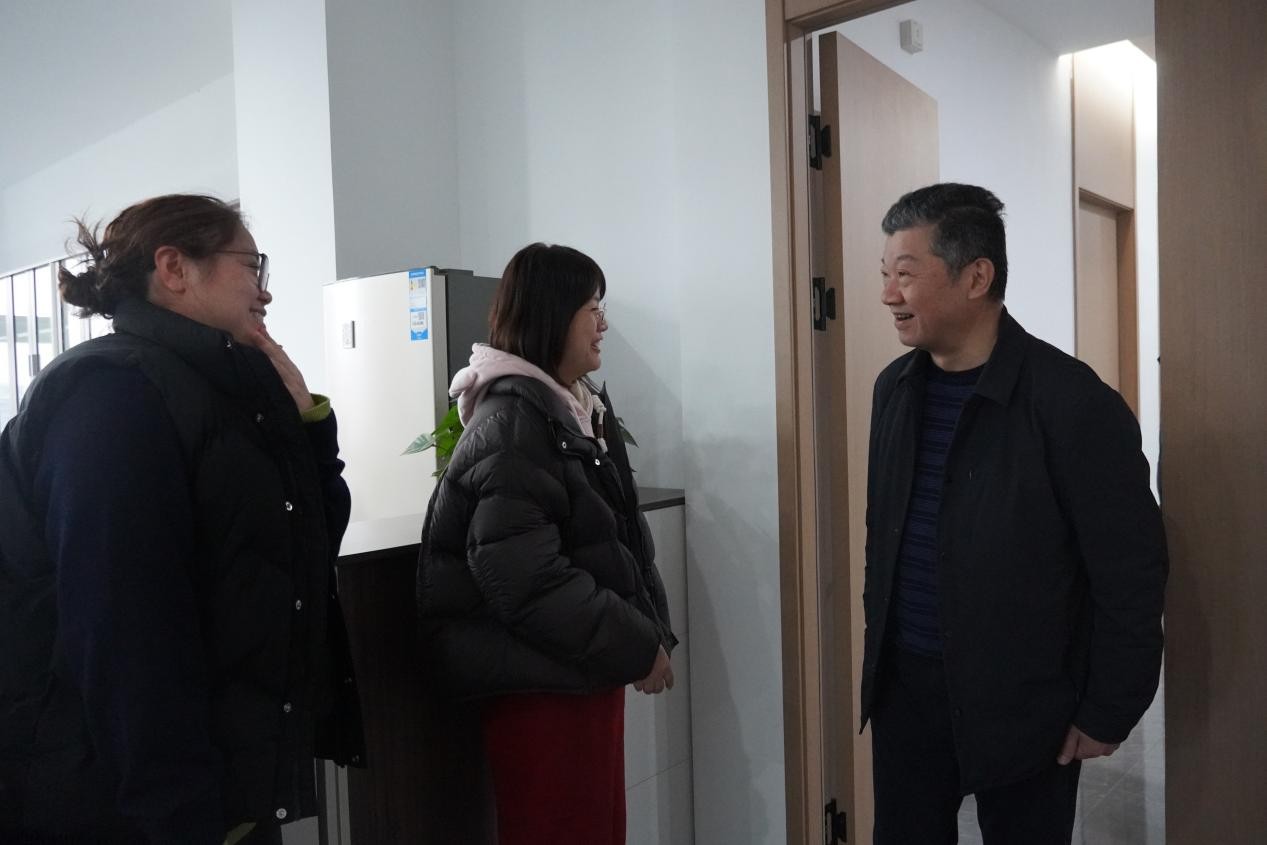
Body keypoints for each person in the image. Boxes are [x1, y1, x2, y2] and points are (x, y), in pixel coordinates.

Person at [0, 195, 365, 844]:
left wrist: (308, 423)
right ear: (174, 268)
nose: (265, 291)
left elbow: (302, 549)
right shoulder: (111, 395)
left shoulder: (224, 394)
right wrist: (178, 815)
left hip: (222, 792)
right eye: (252, 265)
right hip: (130, 808)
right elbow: (124, 632)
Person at [860, 183, 1168, 844]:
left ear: (976, 277)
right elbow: (882, 538)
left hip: (1025, 698)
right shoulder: (894, 389)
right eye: (884, 274)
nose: (887, 294)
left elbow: (1130, 571)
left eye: (905, 275)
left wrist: (1109, 706)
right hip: (906, 692)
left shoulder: (1072, 402)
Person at [416, 242, 677, 845]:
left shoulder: (565, 409)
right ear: (553, 315)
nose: (603, 324)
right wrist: (637, 643)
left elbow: (611, 539)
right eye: (592, 308)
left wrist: (645, 636)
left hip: (577, 672)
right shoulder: (513, 424)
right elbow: (526, 581)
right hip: (543, 690)